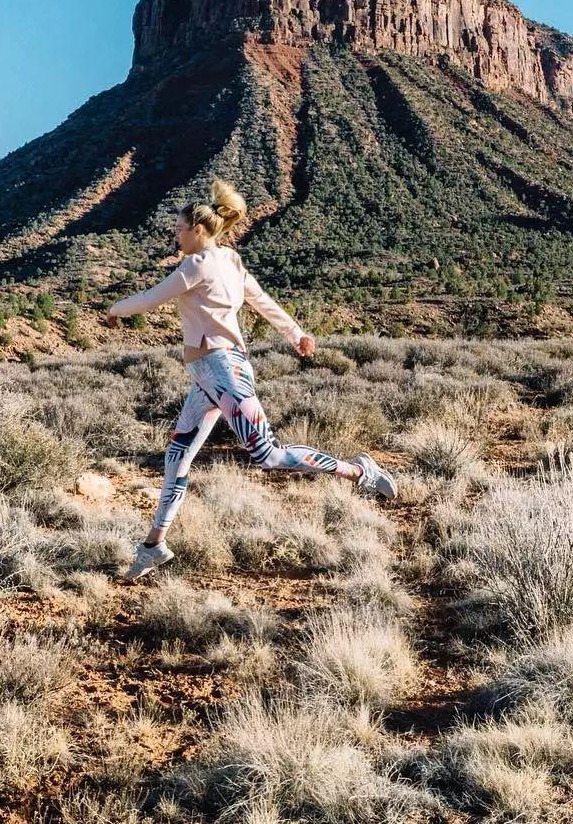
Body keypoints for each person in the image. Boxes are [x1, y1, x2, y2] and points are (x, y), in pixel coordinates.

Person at [106, 179, 398, 582]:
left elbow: (150, 299)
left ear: (199, 231)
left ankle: (357, 472)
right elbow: (263, 301)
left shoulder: (196, 265)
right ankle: (153, 546)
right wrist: (296, 335)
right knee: (177, 458)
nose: (175, 234)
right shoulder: (231, 261)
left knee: (268, 455)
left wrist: (115, 309)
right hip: (208, 379)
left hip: (224, 373)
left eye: (179, 229)